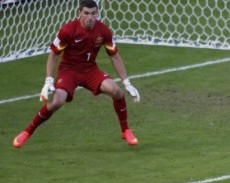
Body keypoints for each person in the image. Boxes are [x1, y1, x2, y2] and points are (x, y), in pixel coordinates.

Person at [12, 0, 140, 148]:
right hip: (69, 71)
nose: (90, 17)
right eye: (86, 13)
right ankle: (27, 132)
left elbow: (114, 56)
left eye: (93, 13)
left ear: (97, 13)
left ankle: (125, 131)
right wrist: (48, 80)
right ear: (79, 13)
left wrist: (127, 82)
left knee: (116, 91)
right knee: (57, 102)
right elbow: (54, 54)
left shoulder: (103, 31)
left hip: (90, 70)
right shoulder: (68, 30)